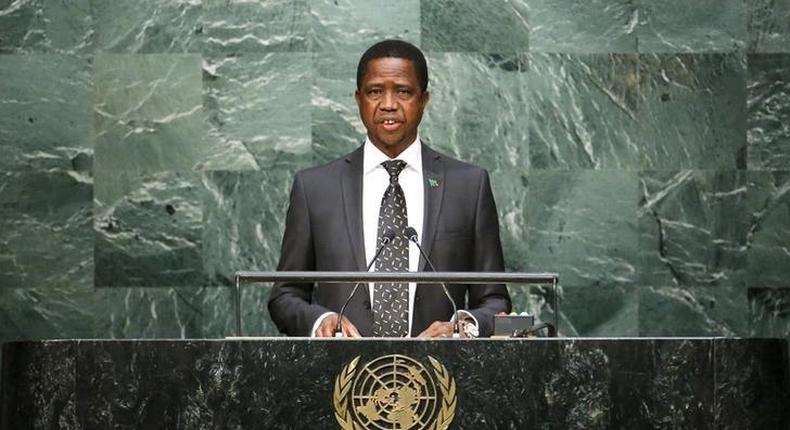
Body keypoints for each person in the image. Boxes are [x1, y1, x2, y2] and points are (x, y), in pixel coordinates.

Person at [268, 39, 511, 338]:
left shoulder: (468, 185)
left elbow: (494, 300)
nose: (388, 104)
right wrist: (322, 321)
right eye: (374, 92)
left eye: (404, 91)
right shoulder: (315, 188)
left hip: (442, 376)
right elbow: (285, 296)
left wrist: (460, 329)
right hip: (341, 376)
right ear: (358, 99)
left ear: (424, 100)